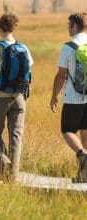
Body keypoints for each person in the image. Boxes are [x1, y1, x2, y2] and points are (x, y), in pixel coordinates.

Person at [0, 13, 33, 183]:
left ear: (0, 28)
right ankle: (13, 176)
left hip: (0, 97)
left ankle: (3, 161)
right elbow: (28, 71)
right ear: (14, 27)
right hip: (19, 97)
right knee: (16, 135)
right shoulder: (23, 48)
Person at [50, 12, 87, 183]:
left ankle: (83, 156)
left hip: (73, 97)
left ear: (74, 26)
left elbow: (61, 75)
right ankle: (84, 175)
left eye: (68, 24)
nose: (67, 27)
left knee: (68, 131)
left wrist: (54, 96)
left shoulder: (68, 47)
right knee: (85, 132)